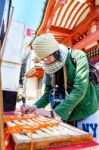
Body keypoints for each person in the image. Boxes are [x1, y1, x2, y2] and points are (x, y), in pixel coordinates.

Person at [21, 33, 99, 142]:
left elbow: (79, 90)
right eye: (43, 59)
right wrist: (34, 106)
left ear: (56, 52)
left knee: (90, 145)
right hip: (67, 115)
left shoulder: (78, 56)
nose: (46, 61)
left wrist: (52, 113)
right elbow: (48, 93)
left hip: (87, 111)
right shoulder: (48, 67)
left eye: (48, 57)